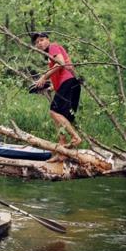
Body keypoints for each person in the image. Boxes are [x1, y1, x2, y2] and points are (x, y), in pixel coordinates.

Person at [31, 32, 82, 160]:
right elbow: (63, 70)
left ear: (48, 40)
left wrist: (44, 77)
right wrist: (51, 87)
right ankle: (62, 152)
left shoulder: (53, 47)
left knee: (53, 112)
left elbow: (60, 63)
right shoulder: (49, 56)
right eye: (37, 42)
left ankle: (76, 138)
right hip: (71, 84)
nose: (39, 43)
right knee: (60, 120)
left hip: (69, 83)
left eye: (41, 40)